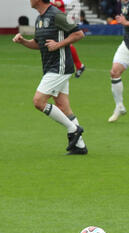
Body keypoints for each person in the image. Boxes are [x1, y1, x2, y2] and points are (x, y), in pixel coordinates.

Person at [12, 0, 87, 155]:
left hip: (59, 67)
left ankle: (73, 129)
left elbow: (79, 33)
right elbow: (38, 44)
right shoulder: (40, 18)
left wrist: (59, 44)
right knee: (63, 107)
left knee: (38, 102)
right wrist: (23, 42)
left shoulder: (57, 15)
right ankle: (80, 146)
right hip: (50, 67)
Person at [50, 0, 86, 78]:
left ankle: (79, 65)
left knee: (67, 44)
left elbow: (59, 3)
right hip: (54, 22)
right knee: (64, 44)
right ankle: (79, 66)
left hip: (61, 22)